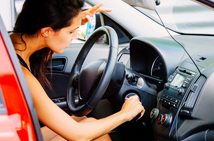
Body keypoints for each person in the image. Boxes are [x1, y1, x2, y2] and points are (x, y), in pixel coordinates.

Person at [10, 0, 145, 140]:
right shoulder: (20, 74)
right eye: (71, 31)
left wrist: (73, 21)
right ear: (46, 31)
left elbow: (51, 34)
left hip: (17, 134)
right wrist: (125, 114)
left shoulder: (14, 47)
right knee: (94, 135)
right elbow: (79, 135)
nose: (75, 36)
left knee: (84, 120)